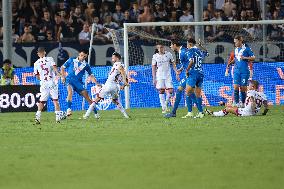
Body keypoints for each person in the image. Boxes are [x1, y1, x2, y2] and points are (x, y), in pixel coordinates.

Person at [83, 52, 129, 119]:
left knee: (96, 100)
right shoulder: (120, 65)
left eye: (113, 57)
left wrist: (124, 81)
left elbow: (122, 71)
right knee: (115, 101)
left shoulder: (118, 64)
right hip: (115, 87)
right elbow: (125, 76)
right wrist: (124, 84)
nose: (112, 58)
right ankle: (126, 115)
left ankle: (86, 115)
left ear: (117, 58)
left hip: (109, 85)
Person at [60, 49, 99, 117]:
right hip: (69, 80)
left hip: (79, 84)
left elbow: (91, 75)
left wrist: (96, 83)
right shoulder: (71, 60)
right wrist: (63, 77)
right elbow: (62, 68)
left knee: (87, 98)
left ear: (86, 57)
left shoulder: (86, 65)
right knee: (70, 91)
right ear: (79, 54)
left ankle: (96, 113)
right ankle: (68, 109)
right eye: (81, 55)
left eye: (84, 56)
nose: (82, 57)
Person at [164, 39, 197, 118]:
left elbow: (191, 61)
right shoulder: (182, 51)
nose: (170, 46)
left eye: (171, 45)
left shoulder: (182, 52)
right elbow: (186, 62)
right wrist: (181, 69)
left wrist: (187, 71)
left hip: (191, 74)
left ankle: (174, 112)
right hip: (190, 74)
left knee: (181, 91)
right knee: (188, 93)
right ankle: (201, 110)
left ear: (175, 45)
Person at [33, 47, 66, 124]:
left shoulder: (36, 63)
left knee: (42, 101)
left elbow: (37, 77)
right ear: (44, 52)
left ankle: (37, 117)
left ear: (38, 54)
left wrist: (41, 77)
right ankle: (58, 119)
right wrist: (60, 75)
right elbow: (55, 69)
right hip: (51, 82)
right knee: (55, 100)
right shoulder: (50, 59)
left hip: (43, 83)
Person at [184, 38, 209, 118]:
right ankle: (201, 113)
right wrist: (201, 46)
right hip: (201, 74)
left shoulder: (190, 51)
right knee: (198, 95)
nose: (187, 46)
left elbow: (192, 61)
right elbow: (207, 53)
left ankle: (190, 112)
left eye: (187, 44)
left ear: (190, 44)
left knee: (188, 93)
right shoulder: (199, 51)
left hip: (193, 73)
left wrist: (187, 70)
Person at [152, 43, 177, 113]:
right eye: (159, 48)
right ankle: (163, 107)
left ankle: (165, 104)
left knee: (171, 91)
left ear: (164, 48)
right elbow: (153, 68)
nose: (160, 49)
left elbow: (173, 63)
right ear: (157, 49)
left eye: (161, 47)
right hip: (159, 76)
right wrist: (154, 78)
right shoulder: (155, 56)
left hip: (168, 75)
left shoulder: (168, 54)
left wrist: (176, 72)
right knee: (161, 91)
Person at [231, 35, 255, 107]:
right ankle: (236, 103)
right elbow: (236, 59)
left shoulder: (247, 49)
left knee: (243, 88)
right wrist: (229, 63)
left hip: (244, 71)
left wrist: (245, 57)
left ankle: (243, 103)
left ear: (240, 41)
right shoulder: (236, 49)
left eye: (236, 42)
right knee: (235, 86)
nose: (235, 43)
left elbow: (253, 58)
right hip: (236, 71)